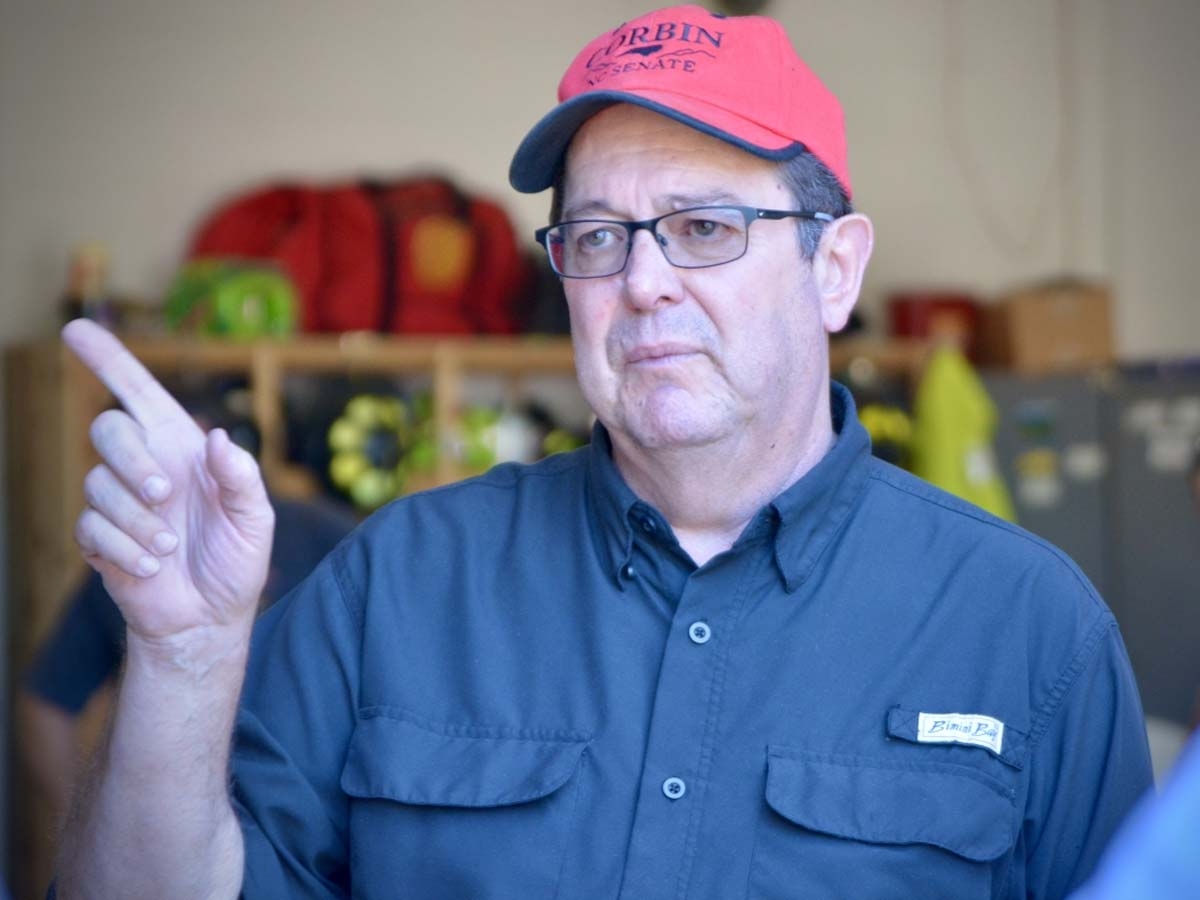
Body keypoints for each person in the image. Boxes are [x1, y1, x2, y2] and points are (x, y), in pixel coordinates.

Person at [52, 6, 1152, 899]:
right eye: (597, 236)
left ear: (837, 271)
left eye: (706, 227)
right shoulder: (399, 582)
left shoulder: (1030, 632)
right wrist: (184, 663)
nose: (641, 282)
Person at [18, 494, 355, 825]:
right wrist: (95, 830)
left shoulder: (324, 535)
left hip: (304, 842)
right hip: (168, 830)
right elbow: (47, 704)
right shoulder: (134, 557)